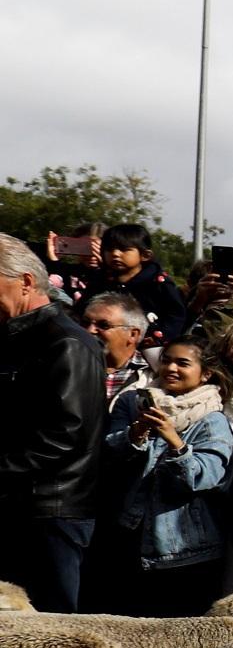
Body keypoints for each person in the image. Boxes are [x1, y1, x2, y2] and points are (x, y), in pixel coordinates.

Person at [0, 235, 107, 610]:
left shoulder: (67, 343)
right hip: (15, 506)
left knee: (56, 631)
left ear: (26, 282)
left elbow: (65, 434)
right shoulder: (13, 339)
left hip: (51, 512)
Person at [96, 334, 233, 613]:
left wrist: (176, 442)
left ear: (205, 373)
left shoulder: (213, 420)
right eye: (167, 361)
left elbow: (204, 477)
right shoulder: (133, 403)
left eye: (183, 363)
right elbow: (109, 456)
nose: (171, 369)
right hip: (128, 533)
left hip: (183, 546)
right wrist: (135, 435)